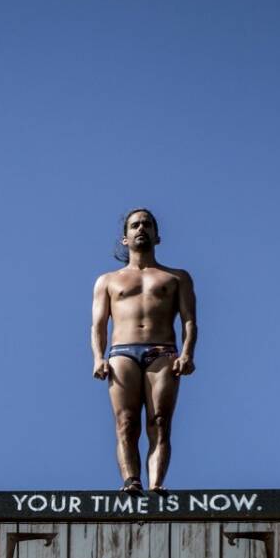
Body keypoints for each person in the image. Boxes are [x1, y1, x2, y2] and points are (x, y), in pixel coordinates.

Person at [91, 209, 197, 491]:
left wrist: (187, 353)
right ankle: (131, 481)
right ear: (125, 238)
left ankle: (156, 486)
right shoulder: (108, 280)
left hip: (162, 351)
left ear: (156, 235)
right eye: (135, 225)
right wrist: (98, 358)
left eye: (147, 225)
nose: (141, 229)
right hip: (122, 352)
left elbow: (189, 319)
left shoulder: (176, 277)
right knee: (126, 422)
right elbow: (98, 324)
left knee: (159, 421)